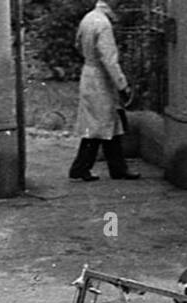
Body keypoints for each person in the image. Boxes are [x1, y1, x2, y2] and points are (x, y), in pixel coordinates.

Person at [68, 1, 140, 182]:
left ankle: (117, 168)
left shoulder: (89, 18)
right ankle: (81, 168)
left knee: (107, 124)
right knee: (100, 125)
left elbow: (78, 44)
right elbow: (109, 59)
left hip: (89, 72)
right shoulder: (103, 25)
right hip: (101, 78)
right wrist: (122, 85)